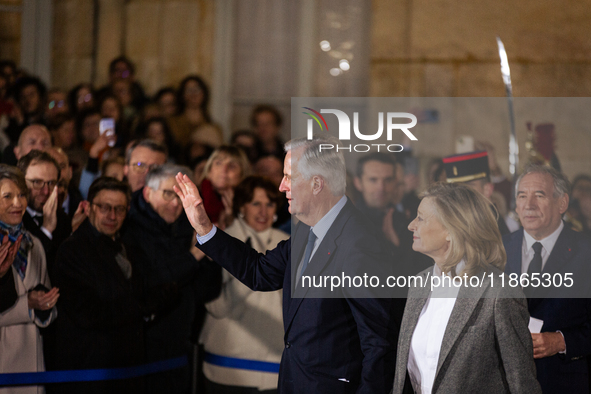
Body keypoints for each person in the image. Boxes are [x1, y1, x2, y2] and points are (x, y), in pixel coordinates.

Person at [175, 136, 398, 394]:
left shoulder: (361, 245)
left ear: (316, 184)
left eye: (289, 177)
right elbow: (259, 272)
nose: (281, 187)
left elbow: (379, 344)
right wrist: (204, 227)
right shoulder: (306, 231)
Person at [392, 182, 540, 394]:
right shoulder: (419, 283)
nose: (411, 225)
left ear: (451, 231)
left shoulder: (498, 291)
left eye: (421, 218)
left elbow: (521, 382)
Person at [122, 164, 221, 394]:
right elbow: (154, 281)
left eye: (180, 196)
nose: (176, 204)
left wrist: (210, 258)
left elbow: (208, 290)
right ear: (148, 193)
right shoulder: (130, 230)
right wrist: (195, 255)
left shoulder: (188, 228)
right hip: (143, 348)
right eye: (168, 194)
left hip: (179, 346)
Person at [503, 164, 591, 393]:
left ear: (562, 203)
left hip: (563, 382)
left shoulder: (585, 253)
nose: (528, 205)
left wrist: (562, 341)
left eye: (539, 195)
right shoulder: (498, 249)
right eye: (522, 196)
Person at [53, 177, 144, 394]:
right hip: (88, 374)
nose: (112, 216)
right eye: (104, 207)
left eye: (119, 209)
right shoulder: (72, 251)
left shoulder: (129, 248)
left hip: (125, 372)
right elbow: (87, 313)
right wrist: (142, 306)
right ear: (88, 207)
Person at [200, 176, 288, 394]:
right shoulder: (219, 242)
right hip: (226, 366)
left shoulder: (286, 243)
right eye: (255, 203)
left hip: (275, 369)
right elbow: (216, 306)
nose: (263, 211)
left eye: (269, 204)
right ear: (242, 207)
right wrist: (253, 274)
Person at [0, 164, 59, 394]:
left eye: (22, 195)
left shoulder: (32, 243)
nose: (18, 203)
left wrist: (45, 305)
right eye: (8, 196)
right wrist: (28, 305)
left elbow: (44, 308)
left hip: (32, 367)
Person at [17, 151, 72, 272]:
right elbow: (26, 267)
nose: (46, 191)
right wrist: (46, 230)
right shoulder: (12, 219)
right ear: (21, 182)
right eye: (37, 182)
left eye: (51, 183)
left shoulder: (63, 220)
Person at [442, 150, 510, 235]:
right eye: (456, 188)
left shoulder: (492, 228)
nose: (461, 193)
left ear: (487, 189)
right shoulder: (458, 224)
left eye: (468, 186)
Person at [199, 145, 250, 227]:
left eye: (232, 166)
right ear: (209, 171)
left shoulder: (249, 202)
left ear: (242, 175)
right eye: (218, 163)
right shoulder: (194, 198)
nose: (224, 169)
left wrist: (230, 218)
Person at [168, 75, 223, 147]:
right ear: (182, 95)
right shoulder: (172, 122)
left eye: (197, 89)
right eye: (189, 90)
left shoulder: (215, 127)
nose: (193, 94)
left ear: (204, 93)